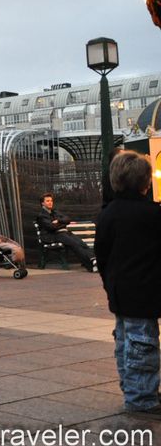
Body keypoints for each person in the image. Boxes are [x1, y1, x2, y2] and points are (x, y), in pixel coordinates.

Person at [95, 150, 161, 419]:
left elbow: (102, 254)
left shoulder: (108, 214)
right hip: (145, 290)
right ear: (145, 182)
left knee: (125, 342)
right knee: (142, 343)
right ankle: (141, 397)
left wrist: (109, 284)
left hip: (120, 290)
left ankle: (132, 388)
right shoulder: (152, 214)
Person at [35, 193, 96, 272]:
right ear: (42, 203)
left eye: (51, 201)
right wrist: (62, 224)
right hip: (51, 236)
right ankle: (90, 266)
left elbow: (68, 219)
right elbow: (51, 227)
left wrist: (59, 221)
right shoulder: (41, 215)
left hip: (63, 233)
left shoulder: (55, 212)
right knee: (74, 244)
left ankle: (93, 259)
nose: (50, 202)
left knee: (81, 243)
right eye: (47, 201)